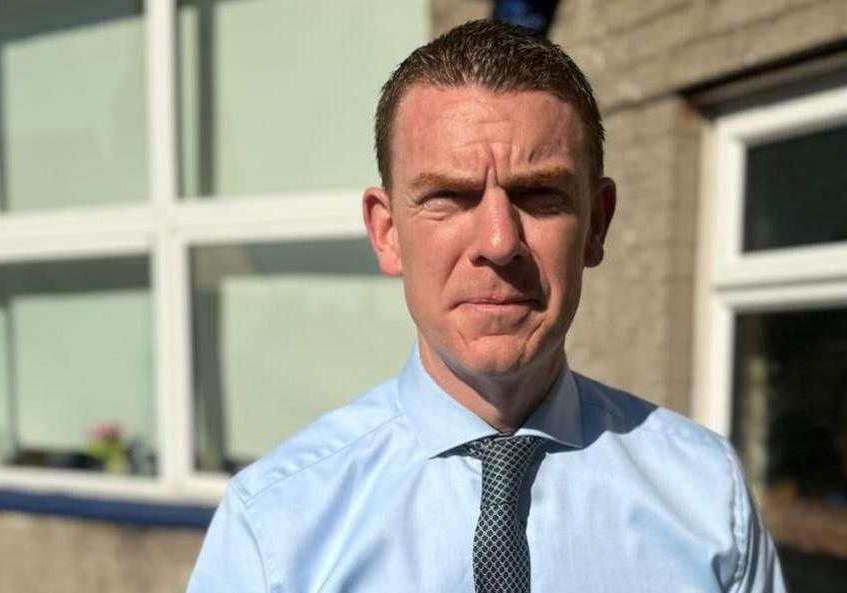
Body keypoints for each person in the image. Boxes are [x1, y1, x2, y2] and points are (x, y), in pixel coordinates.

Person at [187, 19, 786, 593]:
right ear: (387, 231)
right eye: (449, 197)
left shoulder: (706, 496)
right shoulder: (275, 526)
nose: (499, 244)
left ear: (597, 225)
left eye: (539, 195)